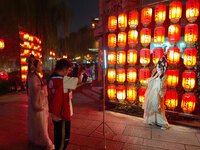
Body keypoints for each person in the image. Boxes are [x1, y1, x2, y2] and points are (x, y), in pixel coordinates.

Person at [47, 59, 85, 150]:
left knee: (58, 137)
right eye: (68, 70)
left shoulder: (51, 78)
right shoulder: (63, 80)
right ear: (64, 69)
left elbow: (72, 86)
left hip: (54, 112)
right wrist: (81, 73)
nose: (68, 72)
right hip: (62, 114)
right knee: (63, 141)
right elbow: (79, 81)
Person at [27, 59, 54, 149]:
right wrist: (44, 87)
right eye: (40, 65)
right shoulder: (33, 77)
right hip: (38, 103)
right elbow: (36, 92)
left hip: (39, 102)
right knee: (41, 124)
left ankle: (38, 139)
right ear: (35, 67)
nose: (41, 66)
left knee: (39, 123)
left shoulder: (35, 76)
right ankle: (46, 142)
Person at [143, 56, 169, 130]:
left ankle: (163, 123)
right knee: (151, 106)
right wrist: (155, 77)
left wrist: (159, 78)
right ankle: (153, 120)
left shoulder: (164, 76)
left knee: (158, 108)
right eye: (157, 67)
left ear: (163, 69)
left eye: (160, 68)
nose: (158, 69)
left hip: (157, 94)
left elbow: (162, 86)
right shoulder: (155, 74)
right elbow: (150, 82)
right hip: (152, 93)